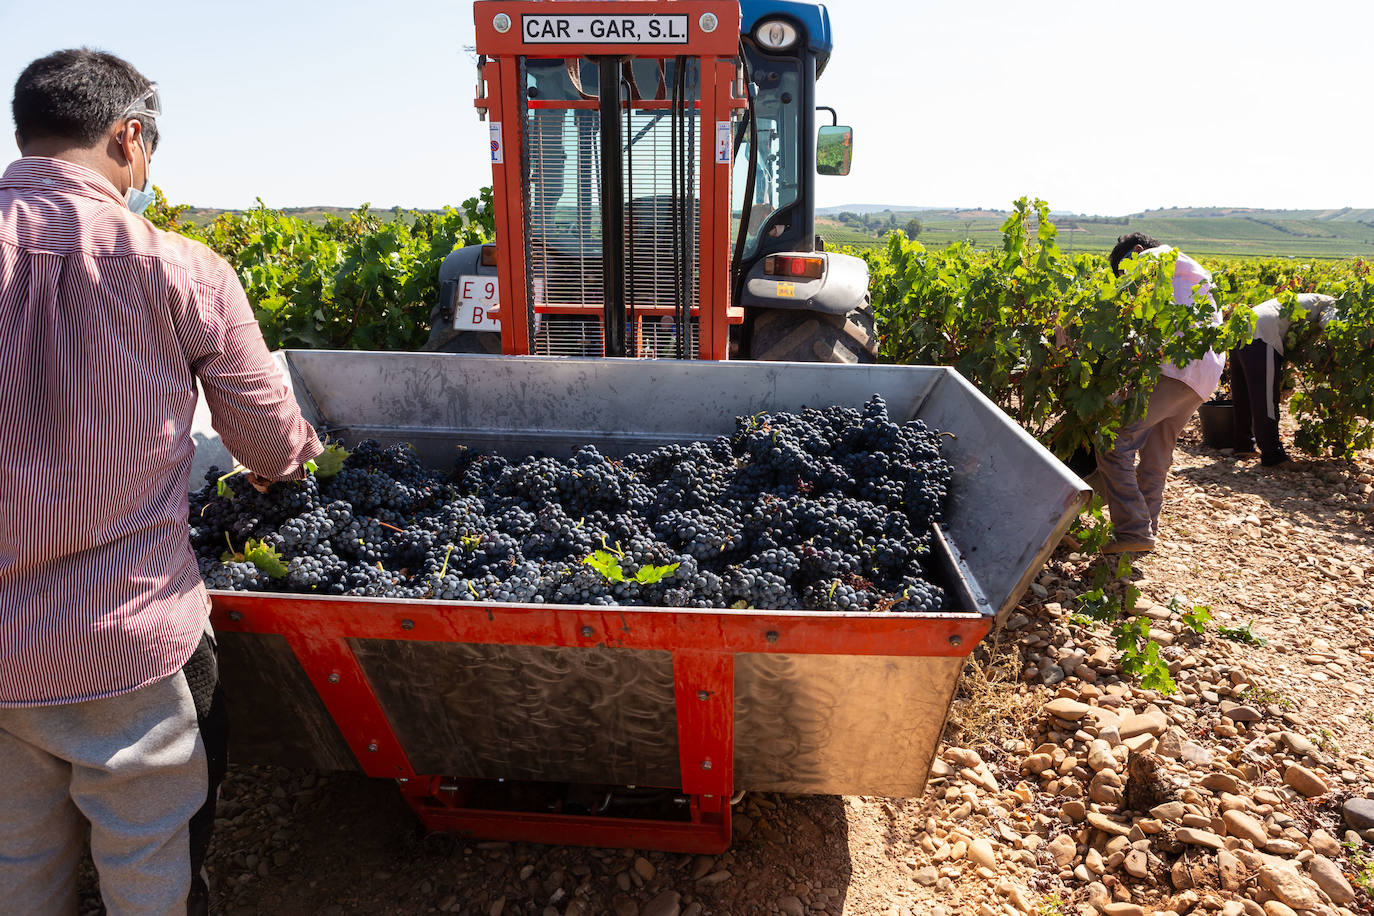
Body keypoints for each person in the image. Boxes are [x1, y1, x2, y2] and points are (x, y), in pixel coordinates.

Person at [0, 49, 323, 913]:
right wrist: (297, 455)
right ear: (129, 136)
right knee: (152, 881)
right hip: (127, 651)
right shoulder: (180, 269)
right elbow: (264, 444)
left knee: (15, 878)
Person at [1094, 232, 1224, 554]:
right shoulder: (1189, 271)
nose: (1126, 282)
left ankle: (1132, 530)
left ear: (1137, 252)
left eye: (1124, 273)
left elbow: (1127, 314)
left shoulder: (1157, 258)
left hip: (1176, 367)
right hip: (1204, 374)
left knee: (1113, 441)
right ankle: (1146, 527)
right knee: (1156, 450)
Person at [1230, 292, 1338, 467]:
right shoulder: (1332, 303)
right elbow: (1333, 328)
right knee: (1265, 399)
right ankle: (1273, 456)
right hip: (1262, 334)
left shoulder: (1312, 300)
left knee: (1242, 394)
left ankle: (1243, 445)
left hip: (1240, 328)